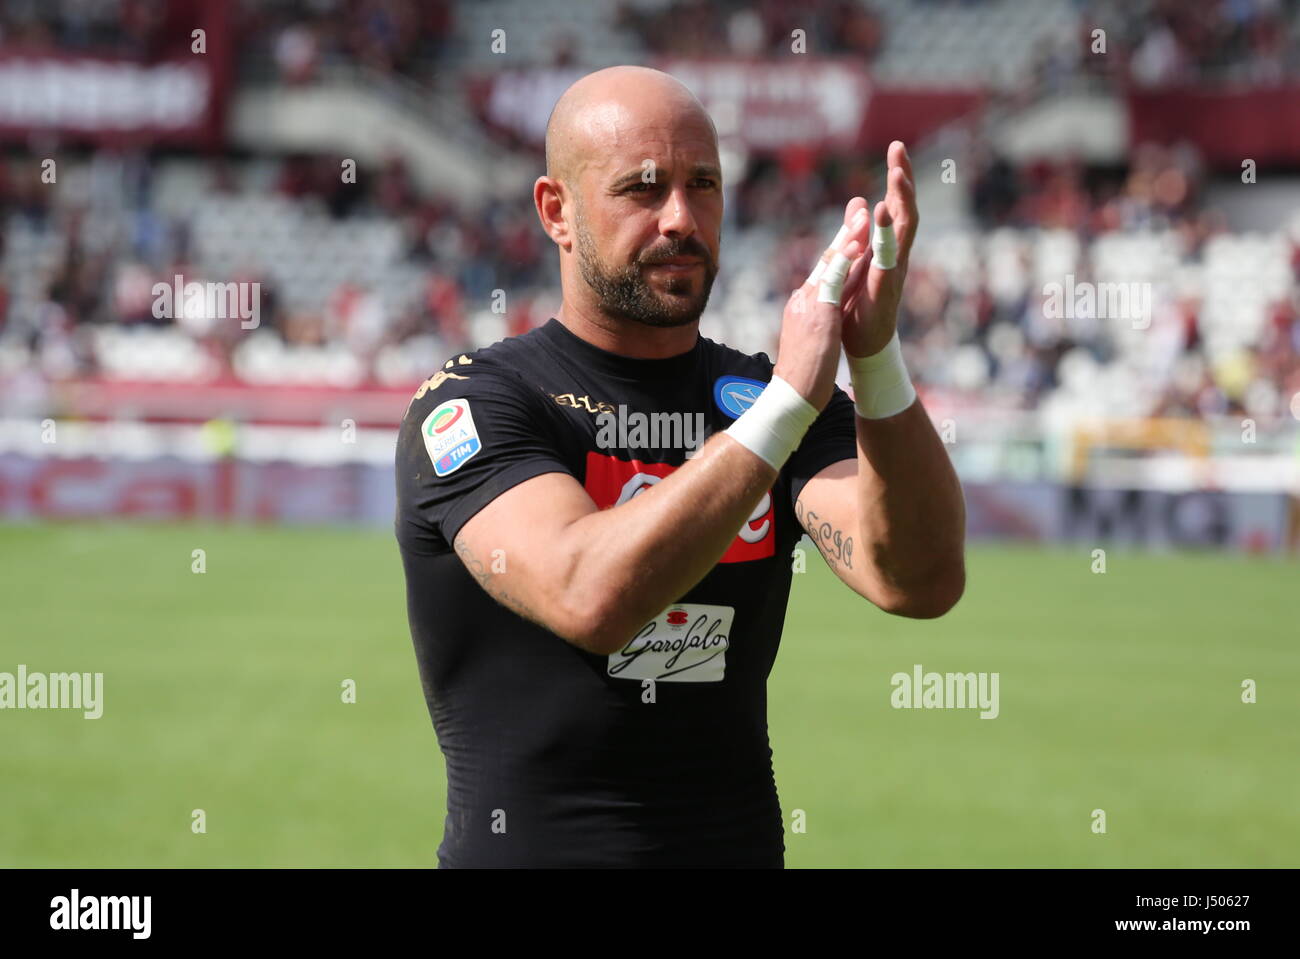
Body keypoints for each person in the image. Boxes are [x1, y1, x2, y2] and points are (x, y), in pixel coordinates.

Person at [394, 65, 966, 868]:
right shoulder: (478, 403)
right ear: (557, 212)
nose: (681, 218)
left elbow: (918, 580)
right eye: (642, 188)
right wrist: (786, 407)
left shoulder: (766, 402)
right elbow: (589, 594)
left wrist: (873, 360)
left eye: (704, 184)